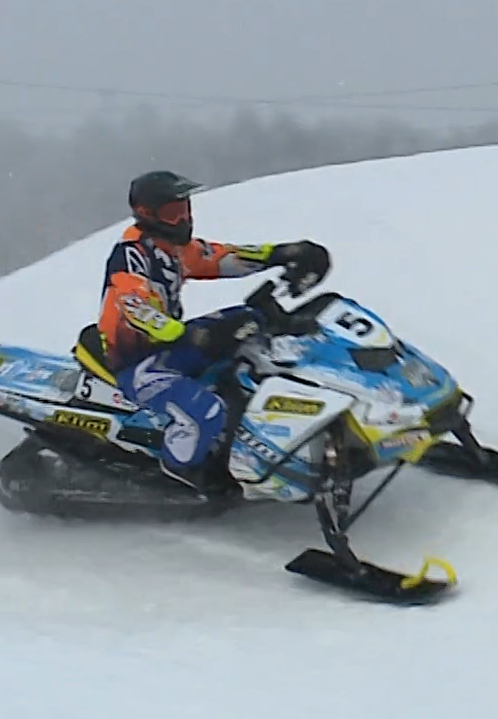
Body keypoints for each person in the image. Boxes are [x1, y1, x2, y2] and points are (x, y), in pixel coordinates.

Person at [92, 170, 329, 494]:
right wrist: (187, 336)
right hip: (137, 361)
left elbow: (221, 257)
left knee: (251, 322)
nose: (184, 219)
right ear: (147, 214)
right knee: (204, 412)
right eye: (173, 213)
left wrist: (284, 253)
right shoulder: (131, 256)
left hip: (170, 342)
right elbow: (136, 309)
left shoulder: (173, 248)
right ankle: (177, 475)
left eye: (185, 209)